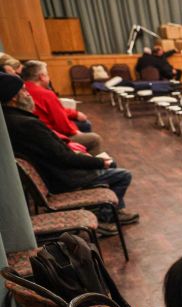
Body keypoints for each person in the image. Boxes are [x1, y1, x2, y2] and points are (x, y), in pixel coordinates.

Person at [0, 73, 137, 233]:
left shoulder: (11, 120)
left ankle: (113, 212)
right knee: (122, 175)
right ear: (13, 97)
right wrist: (98, 162)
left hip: (53, 173)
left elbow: (56, 151)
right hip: (63, 178)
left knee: (104, 162)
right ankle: (104, 217)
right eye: (24, 91)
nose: (29, 94)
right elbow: (63, 158)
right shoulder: (27, 124)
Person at [21, 60, 104, 155]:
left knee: (83, 125)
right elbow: (62, 125)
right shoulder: (46, 94)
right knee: (94, 139)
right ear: (42, 77)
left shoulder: (21, 91)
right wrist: (76, 132)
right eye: (47, 74)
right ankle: (94, 166)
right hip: (51, 138)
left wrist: (74, 114)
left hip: (35, 137)